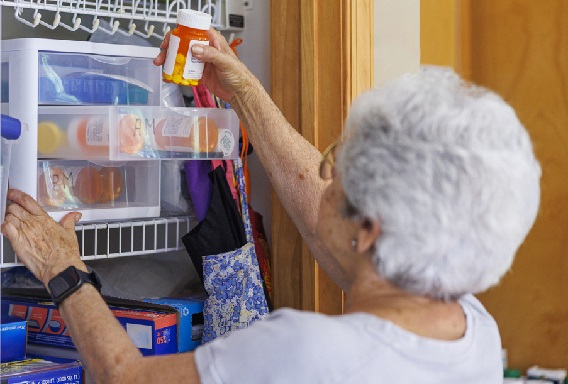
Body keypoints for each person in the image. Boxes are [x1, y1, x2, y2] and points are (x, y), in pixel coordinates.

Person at [2, 27, 540, 383]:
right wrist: (244, 93)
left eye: (337, 171)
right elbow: (320, 211)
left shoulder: (308, 352)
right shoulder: (475, 332)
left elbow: (128, 378)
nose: (324, 176)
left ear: (371, 229)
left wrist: (64, 270)